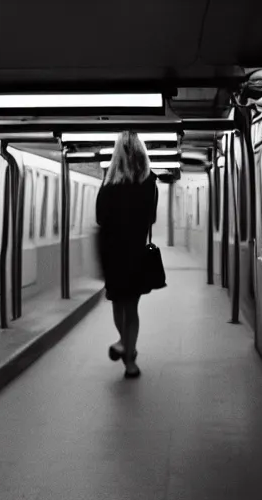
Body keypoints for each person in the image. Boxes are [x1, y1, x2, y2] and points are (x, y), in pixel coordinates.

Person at [95, 131, 158, 379]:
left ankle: (123, 342)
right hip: (135, 252)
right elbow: (151, 218)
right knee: (131, 308)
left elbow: (100, 218)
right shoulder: (149, 181)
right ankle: (129, 359)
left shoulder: (108, 183)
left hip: (111, 253)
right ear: (142, 152)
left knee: (118, 303)